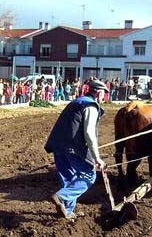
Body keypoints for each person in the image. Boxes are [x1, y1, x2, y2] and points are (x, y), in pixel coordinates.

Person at [44, 80, 108, 221]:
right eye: (104, 93)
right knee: (88, 175)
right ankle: (61, 196)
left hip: (57, 144)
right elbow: (89, 132)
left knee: (69, 178)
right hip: (72, 147)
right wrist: (97, 158)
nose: (104, 97)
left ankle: (67, 211)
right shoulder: (90, 106)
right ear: (99, 92)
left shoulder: (77, 102)